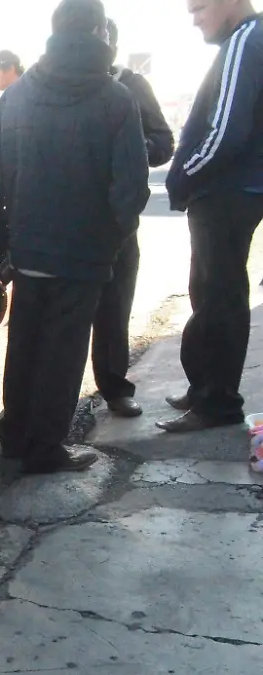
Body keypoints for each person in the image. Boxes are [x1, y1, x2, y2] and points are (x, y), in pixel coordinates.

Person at [0, 0, 149, 473]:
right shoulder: (116, 100)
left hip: (28, 249)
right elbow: (131, 191)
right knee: (64, 352)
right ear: (99, 32)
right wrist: (110, 241)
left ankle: (15, 436)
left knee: (27, 342)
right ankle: (45, 448)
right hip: (84, 256)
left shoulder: (17, 97)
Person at [160, 0, 263, 432]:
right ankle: (205, 388)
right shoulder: (245, 40)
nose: (194, 17)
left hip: (226, 191)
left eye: (199, 7)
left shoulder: (245, 41)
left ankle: (217, 402)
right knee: (209, 290)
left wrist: (184, 176)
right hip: (230, 190)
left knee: (219, 296)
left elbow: (226, 130)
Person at [91, 17, 177, 418]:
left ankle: (113, 387)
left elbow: (164, 143)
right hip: (67, 220)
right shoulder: (52, 86)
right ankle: (45, 400)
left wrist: (129, 146)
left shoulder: (131, 85)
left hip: (118, 221)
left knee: (114, 307)